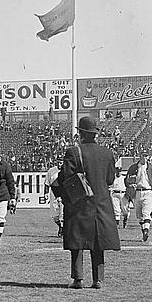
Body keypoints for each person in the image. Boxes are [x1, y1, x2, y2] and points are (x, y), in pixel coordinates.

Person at [54, 116, 120, 289]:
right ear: (95, 134)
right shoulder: (107, 153)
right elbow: (110, 179)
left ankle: (78, 279)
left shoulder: (73, 152)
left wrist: (59, 192)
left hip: (80, 203)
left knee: (78, 241)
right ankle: (98, 280)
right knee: (98, 241)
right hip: (101, 203)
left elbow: (65, 178)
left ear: (81, 134)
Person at [125, 150, 152, 242]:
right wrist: (129, 184)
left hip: (148, 192)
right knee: (139, 215)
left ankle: (146, 231)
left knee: (146, 212)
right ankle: (144, 232)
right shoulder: (133, 167)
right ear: (140, 156)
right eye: (143, 155)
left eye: (146, 156)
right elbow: (127, 179)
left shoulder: (151, 168)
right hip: (137, 192)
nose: (145, 158)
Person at [0, 150, 16, 247]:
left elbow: (10, 181)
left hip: (2, 194)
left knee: (0, 216)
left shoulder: (5, 166)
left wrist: (12, 196)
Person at [45, 157, 64, 236]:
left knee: (63, 213)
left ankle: (62, 230)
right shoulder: (51, 171)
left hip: (64, 194)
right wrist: (46, 193)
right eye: (58, 162)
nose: (60, 164)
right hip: (53, 194)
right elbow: (47, 183)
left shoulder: (68, 171)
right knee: (54, 215)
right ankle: (61, 227)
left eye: (61, 162)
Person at [109, 161, 130, 228]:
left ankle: (125, 220)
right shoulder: (113, 178)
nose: (118, 172)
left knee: (125, 210)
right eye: (117, 171)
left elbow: (128, 186)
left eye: (120, 171)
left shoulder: (124, 178)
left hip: (123, 194)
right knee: (116, 210)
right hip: (115, 193)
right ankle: (117, 224)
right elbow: (109, 186)